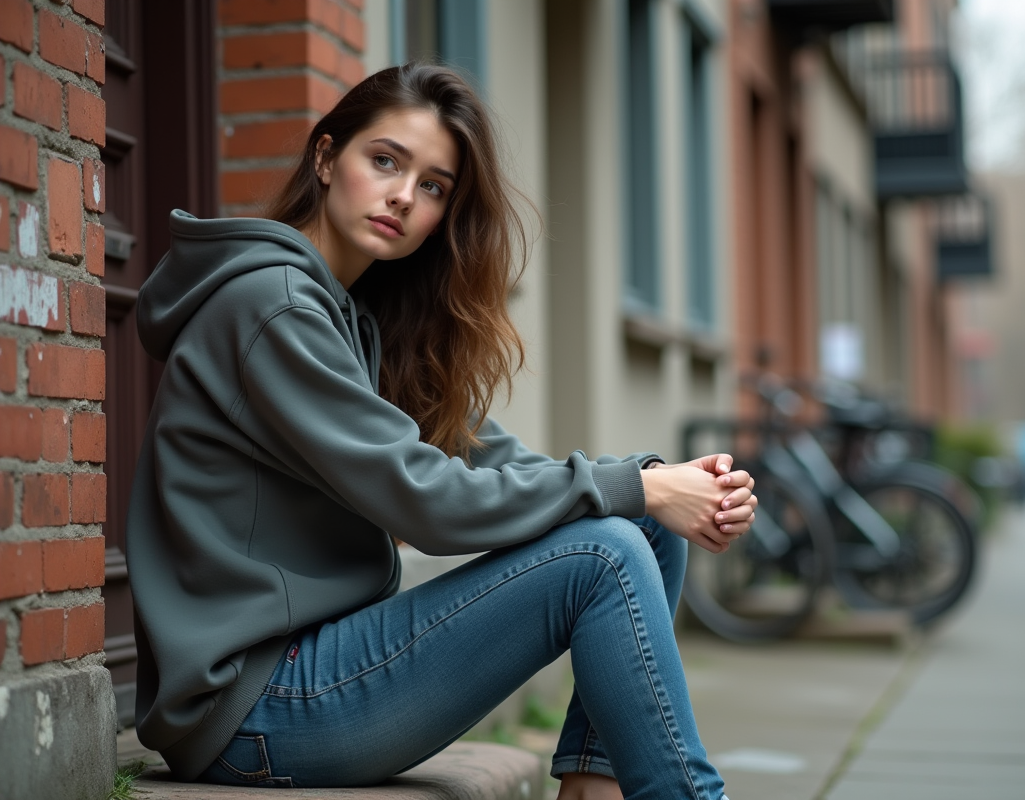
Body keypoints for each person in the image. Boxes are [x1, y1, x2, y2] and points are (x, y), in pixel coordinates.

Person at [126, 63, 752, 800]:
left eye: (432, 185)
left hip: (317, 675)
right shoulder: (275, 309)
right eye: (384, 161)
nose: (402, 196)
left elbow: (484, 452)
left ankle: (594, 782)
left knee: (640, 523)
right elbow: (428, 502)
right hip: (255, 709)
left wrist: (655, 482)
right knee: (608, 548)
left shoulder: (355, 316)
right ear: (327, 158)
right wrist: (635, 488)